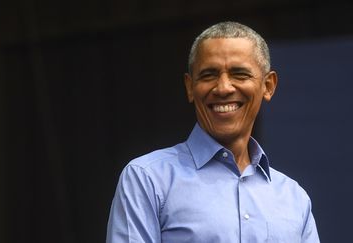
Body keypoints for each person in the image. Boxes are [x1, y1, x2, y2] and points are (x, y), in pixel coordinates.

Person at [106, 21, 319, 243]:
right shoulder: (147, 178)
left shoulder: (294, 198)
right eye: (209, 75)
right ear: (190, 87)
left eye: (239, 74)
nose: (224, 88)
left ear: (268, 86)